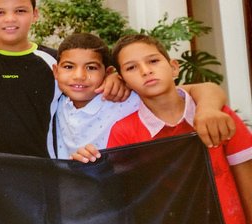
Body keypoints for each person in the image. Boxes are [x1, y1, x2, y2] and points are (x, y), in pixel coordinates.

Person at [0, 0, 235, 157]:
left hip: (47, 177)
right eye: (0, 12)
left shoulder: (59, 63)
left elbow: (176, 91)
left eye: (21, 10)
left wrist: (119, 80)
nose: (11, 19)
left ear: (35, 15)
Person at [78, 34, 252, 224]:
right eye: (132, 67)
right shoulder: (124, 132)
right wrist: (87, 164)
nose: (146, 71)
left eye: (153, 61)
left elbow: (248, 187)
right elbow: (121, 201)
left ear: (173, 67)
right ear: (123, 81)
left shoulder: (218, 116)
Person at [51, 33, 229, 159]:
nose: (79, 76)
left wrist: (208, 109)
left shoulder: (126, 96)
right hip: (75, 201)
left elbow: (205, 89)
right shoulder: (57, 102)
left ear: (109, 72)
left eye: (91, 67)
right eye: (68, 67)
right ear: (56, 71)